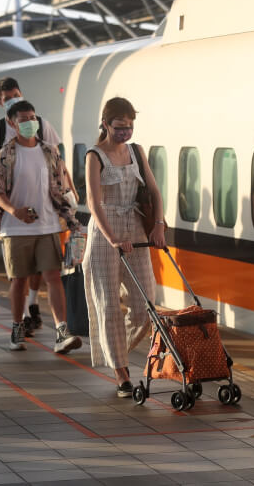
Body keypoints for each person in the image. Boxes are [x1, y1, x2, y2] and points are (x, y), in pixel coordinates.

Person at [82, 97, 165, 398]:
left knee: (146, 306)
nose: (125, 133)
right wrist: (112, 238)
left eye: (129, 127)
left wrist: (159, 224)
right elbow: (93, 202)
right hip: (105, 233)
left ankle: (112, 347)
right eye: (119, 128)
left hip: (137, 226)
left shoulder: (137, 151)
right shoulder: (94, 155)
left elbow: (154, 191)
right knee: (108, 305)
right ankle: (121, 373)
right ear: (105, 124)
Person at [0, 77, 78, 332]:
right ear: (1, 104)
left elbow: (58, 166)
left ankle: (45, 317)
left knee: (48, 274)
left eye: (15, 94)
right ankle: (22, 317)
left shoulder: (43, 127)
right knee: (20, 276)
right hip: (15, 220)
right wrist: (12, 206)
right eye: (7, 97)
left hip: (46, 218)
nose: (13, 99)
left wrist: (70, 197)